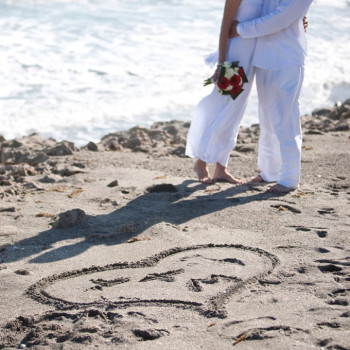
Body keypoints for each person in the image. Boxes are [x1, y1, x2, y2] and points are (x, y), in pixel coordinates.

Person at [230, 0, 314, 193]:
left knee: (285, 120)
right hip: (263, 55)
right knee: (267, 119)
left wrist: (240, 29)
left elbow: (278, 18)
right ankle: (269, 172)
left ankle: (289, 178)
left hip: (287, 58)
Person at [185, 0, 264, 184]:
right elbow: (225, 26)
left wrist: (302, 20)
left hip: (252, 58)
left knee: (234, 115)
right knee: (222, 110)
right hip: (234, 58)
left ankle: (221, 168)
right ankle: (202, 162)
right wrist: (221, 63)